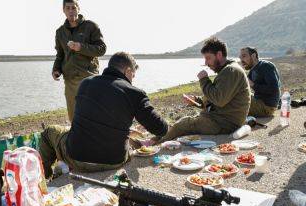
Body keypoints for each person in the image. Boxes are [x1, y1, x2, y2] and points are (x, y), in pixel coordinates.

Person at [40, 52, 168, 178]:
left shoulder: (85, 83)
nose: (132, 81)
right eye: (133, 76)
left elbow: (91, 117)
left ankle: (47, 178)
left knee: (48, 132)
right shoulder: (134, 93)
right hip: (114, 162)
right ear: (128, 71)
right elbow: (161, 128)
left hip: (77, 158)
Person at [159, 37, 251, 142]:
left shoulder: (231, 71)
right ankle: (155, 140)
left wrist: (204, 80)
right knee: (174, 126)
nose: (206, 63)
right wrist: (197, 101)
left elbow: (219, 100)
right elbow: (217, 97)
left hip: (224, 124)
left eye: (208, 58)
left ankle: (157, 145)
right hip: (221, 120)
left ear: (219, 55)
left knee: (182, 125)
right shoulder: (228, 70)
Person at [52, 0, 107, 122]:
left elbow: (102, 49)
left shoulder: (91, 26)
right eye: (68, 8)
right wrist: (56, 70)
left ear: (78, 8)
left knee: (92, 115)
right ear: (64, 10)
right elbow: (60, 55)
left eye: (73, 7)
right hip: (70, 80)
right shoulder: (60, 32)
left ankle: (96, 139)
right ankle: (78, 139)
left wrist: (80, 47)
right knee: (74, 118)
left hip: (89, 78)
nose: (71, 11)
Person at [239, 47, 281, 117]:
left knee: (235, 100)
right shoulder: (253, 70)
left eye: (244, 56)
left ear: (253, 56)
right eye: (240, 57)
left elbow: (274, 89)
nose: (241, 60)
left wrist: (253, 84)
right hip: (258, 102)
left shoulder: (266, 66)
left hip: (267, 107)